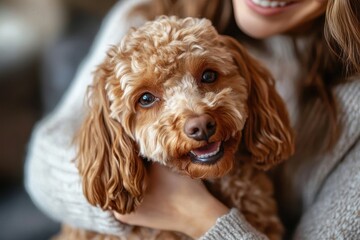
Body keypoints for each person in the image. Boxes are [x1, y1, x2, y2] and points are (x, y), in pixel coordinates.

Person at [25, 0, 360, 239]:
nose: (197, 118)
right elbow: (43, 165)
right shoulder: (147, 11)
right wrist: (132, 203)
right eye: (147, 99)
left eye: (209, 77)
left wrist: (196, 214)